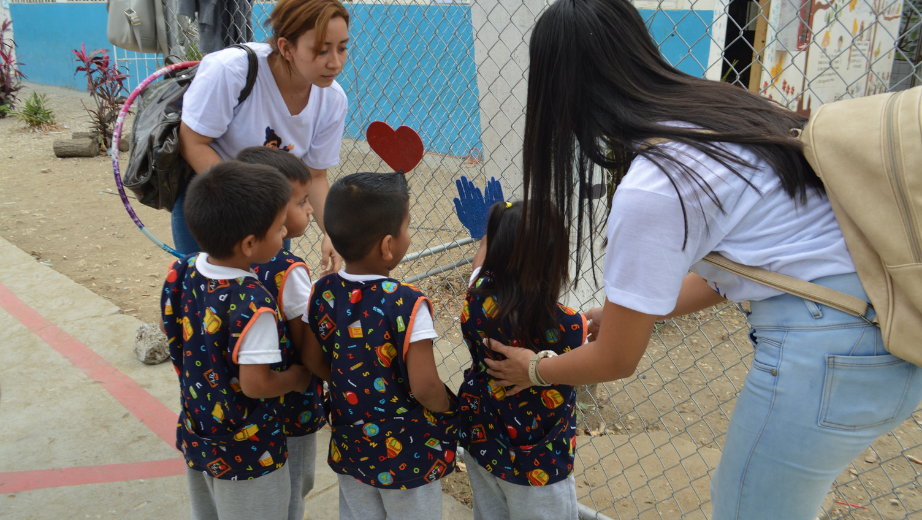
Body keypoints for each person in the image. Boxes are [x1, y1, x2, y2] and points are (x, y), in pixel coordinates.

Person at [480, 0, 922, 519]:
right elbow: (742, 272)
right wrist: (629, 313)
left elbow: (617, 360)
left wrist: (535, 370)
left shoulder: (655, 183)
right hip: (883, 334)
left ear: (559, 94)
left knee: (746, 510)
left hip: (827, 351)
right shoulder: (719, 112)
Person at [301, 171, 459, 520]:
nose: (409, 234)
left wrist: (346, 379)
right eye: (407, 227)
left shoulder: (321, 291)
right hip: (409, 452)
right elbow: (425, 386)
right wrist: (449, 409)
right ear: (388, 246)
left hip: (350, 441)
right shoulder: (408, 304)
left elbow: (312, 358)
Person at [160, 161, 312, 520]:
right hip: (248, 451)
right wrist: (295, 377)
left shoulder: (182, 271)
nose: (285, 233)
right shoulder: (253, 303)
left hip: (199, 429)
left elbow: (176, 333)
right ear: (248, 244)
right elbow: (256, 383)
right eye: (278, 229)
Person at [176, 0, 350, 275]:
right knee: (205, 301)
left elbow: (315, 176)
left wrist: (334, 234)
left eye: (342, 48)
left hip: (272, 211)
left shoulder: (333, 100)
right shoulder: (231, 70)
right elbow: (192, 142)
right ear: (285, 47)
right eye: (321, 50)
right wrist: (252, 206)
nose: (336, 62)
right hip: (215, 200)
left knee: (268, 297)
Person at [458, 200, 585, 520]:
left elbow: (479, 262)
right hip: (538, 462)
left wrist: (493, 230)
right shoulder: (568, 325)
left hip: (483, 440)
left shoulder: (475, 300)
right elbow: (601, 349)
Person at [235, 146, 327, 520]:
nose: (309, 210)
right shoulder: (289, 270)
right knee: (292, 489)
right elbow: (307, 349)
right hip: (289, 407)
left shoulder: (214, 260)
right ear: (272, 208)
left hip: (236, 415)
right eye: (302, 201)